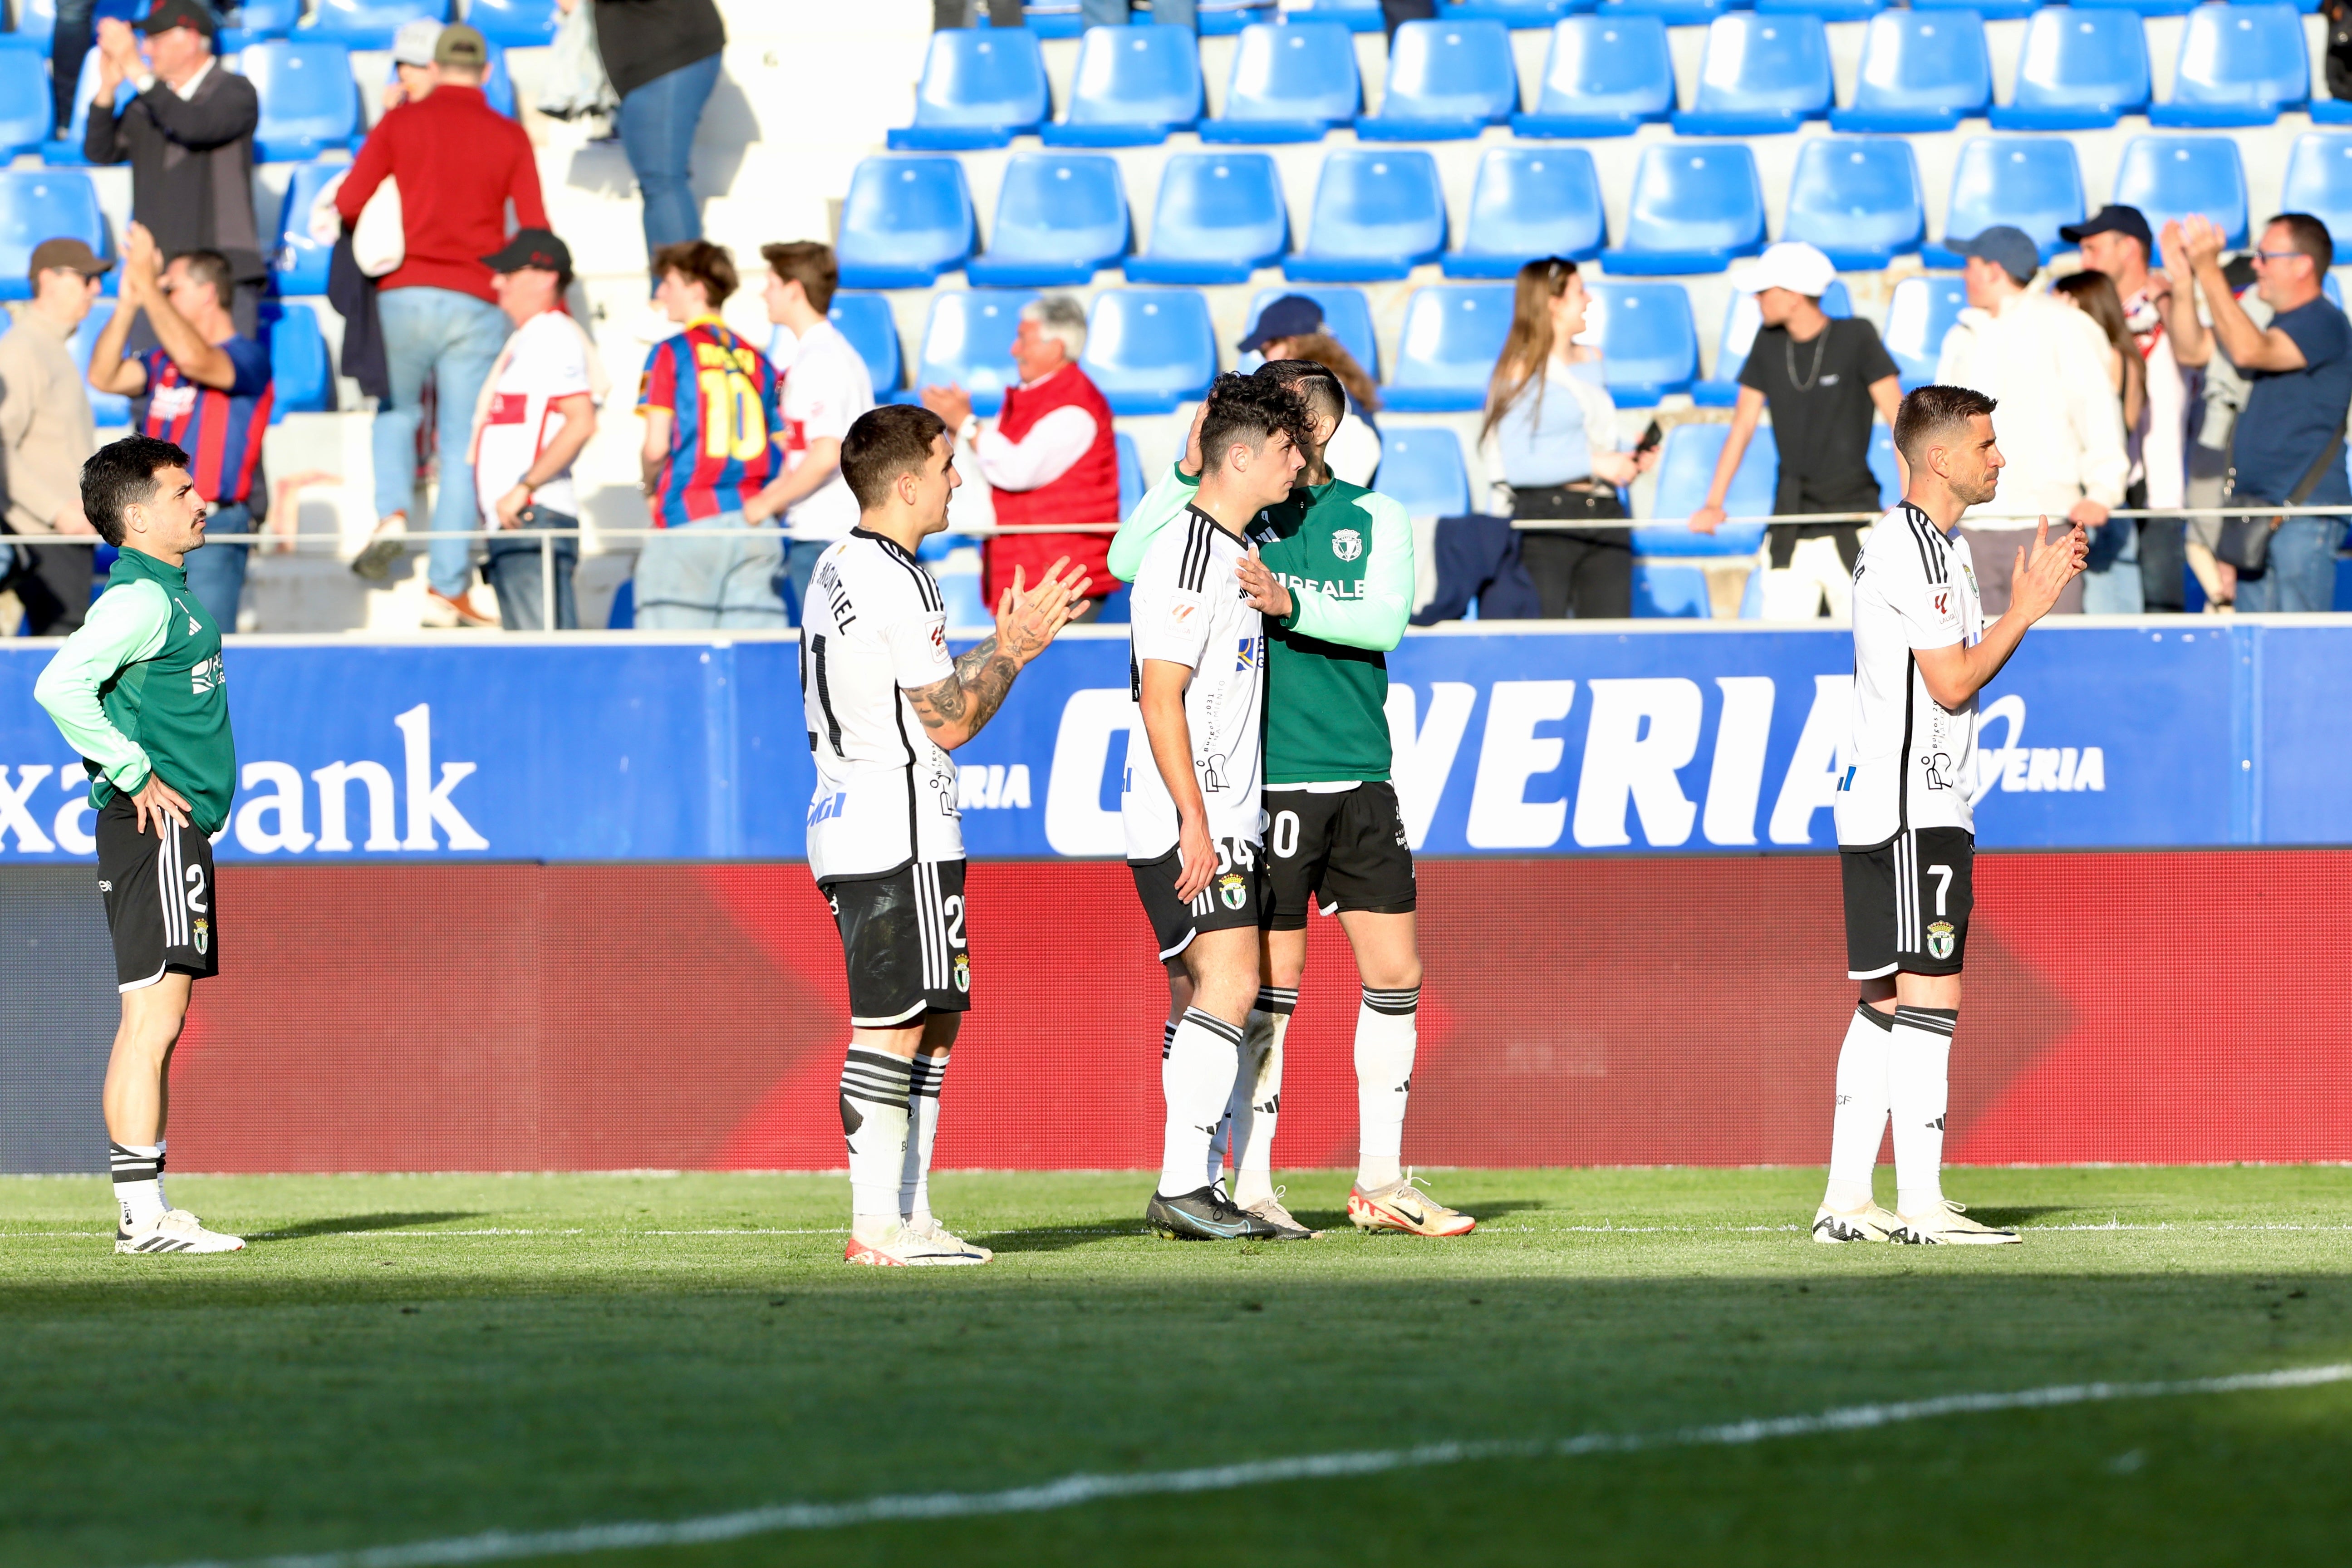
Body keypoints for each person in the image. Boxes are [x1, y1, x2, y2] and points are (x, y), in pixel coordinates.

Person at [1110, 364, 1474, 1239]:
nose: (1291, 435)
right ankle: (1245, 1181)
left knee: (1393, 973)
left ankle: (1379, 1180)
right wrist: (1189, 457)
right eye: (1275, 423)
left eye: (1298, 420)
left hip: (1357, 773)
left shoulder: (1372, 515)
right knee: (1257, 991)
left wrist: (1293, 600)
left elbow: (1384, 621)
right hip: (1260, 787)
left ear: (1322, 431)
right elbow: (1128, 562)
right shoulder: (1230, 520)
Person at [808, 404, 1089, 1265]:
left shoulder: (840, 565)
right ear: (905, 483)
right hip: (898, 827)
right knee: (893, 1025)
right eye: (944, 467)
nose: (956, 481)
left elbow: (919, 689)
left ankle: (908, 1215)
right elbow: (951, 723)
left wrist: (995, 645)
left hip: (856, 819)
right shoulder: (899, 579)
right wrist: (1019, 654)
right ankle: (877, 1226)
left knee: (930, 1023)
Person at [1813, 386, 2087, 1247]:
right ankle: (1921, 1208)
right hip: (1912, 807)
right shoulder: (1921, 552)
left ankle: (1847, 1205)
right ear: (1940, 459)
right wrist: (2028, 607)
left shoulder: (1927, 547)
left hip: (1887, 803)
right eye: (1986, 444)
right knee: (1931, 990)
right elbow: (1952, 681)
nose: (1997, 457)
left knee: (1886, 1001)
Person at [32, 434, 243, 1256]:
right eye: (183, 491)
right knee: (153, 1015)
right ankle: (141, 1219)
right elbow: (59, 683)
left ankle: (147, 1210)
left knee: (159, 1014)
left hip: (171, 828)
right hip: (151, 824)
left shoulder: (168, 594)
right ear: (138, 514)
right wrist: (130, 768)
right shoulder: (140, 600)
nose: (202, 501)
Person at [1124, 374, 1306, 1243]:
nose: (1298, 462)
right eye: (1283, 450)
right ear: (1238, 457)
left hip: (1215, 814)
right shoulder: (1186, 557)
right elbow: (1162, 698)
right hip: (1186, 817)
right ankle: (1181, 1184)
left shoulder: (1234, 548)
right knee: (1233, 985)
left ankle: (1196, 1182)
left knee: (1205, 994)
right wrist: (1194, 822)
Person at [338, 23, 547, 629]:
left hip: (403, 291)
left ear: (433, 66)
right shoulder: (509, 135)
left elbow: (350, 201)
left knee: (395, 410)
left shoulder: (400, 123)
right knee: (461, 445)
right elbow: (533, 227)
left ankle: (392, 514)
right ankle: (446, 584)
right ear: (486, 74)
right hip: (478, 297)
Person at [1690, 241, 1903, 620]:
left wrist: (1911, 505)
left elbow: (1901, 420)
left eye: (1763, 291)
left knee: (1871, 652)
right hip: (1788, 523)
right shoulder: (1767, 342)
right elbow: (1741, 427)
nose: (1756, 299)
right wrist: (1713, 502)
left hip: (1854, 520)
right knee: (1782, 646)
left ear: (1791, 296)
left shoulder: (1857, 336)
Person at [2159, 212, 2352, 614]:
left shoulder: (2322, 320)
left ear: (2302, 264)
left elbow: (2250, 351)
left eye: (2266, 256)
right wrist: (2182, 281)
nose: (2256, 265)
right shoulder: (2267, 322)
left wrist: (2209, 268)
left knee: (2299, 652)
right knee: (2255, 651)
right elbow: (2193, 350)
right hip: (2253, 512)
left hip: (2303, 515)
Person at [1933, 226, 2127, 617]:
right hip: (1969, 527)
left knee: (2052, 657)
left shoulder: (2064, 325)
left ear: (1992, 270)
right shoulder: (1960, 335)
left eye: (1969, 265)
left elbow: (2097, 409)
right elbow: (1941, 428)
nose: (1963, 275)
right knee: (1975, 659)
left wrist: (2103, 490)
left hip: (2045, 524)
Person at [87, 227, 274, 632]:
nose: (162, 292)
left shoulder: (249, 356)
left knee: (201, 648)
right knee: (141, 649)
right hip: (147, 526)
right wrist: (127, 303)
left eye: (172, 287)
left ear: (207, 292)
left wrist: (146, 284)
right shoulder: (160, 360)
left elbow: (196, 359)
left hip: (210, 525)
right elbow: (103, 376)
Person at [1480, 257, 1656, 619]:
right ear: (1553, 302)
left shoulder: (1593, 357)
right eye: (1580, 291)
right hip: (1546, 523)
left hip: (1606, 514)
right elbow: (1518, 468)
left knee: (1610, 644)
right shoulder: (1518, 372)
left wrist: (1627, 457)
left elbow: (1584, 436)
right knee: (1543, 647)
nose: (1589, 299)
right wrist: (1596, 463)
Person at [922, 296, 1116, 617]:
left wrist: (967, 425)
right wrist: (959, 431)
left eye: (1023, 339)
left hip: (1059, 584)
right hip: (1036, 577)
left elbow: (1016, 469)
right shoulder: (1032, 397)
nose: (1014, 350)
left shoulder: (1076, 406)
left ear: (1054, 348)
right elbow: (989, 465)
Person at [633, 240, 793, 627]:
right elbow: (784, 443)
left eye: (668, 283)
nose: (660, 294)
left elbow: (656, 447)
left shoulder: (670, 352)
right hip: (756, 521)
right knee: (750, 664)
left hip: (690, 520)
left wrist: (649, 488)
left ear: (697, 289)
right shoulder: (759, 360)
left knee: (672, 663)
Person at [85, 1, 264, 335]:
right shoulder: (146, 103)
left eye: (156, 38)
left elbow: (195, 126)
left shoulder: (234, 91)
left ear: (190, 38)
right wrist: (107, 89)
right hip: (159, 273)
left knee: (225, 378)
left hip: (222, 272)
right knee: (155, 383)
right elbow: (100, 150)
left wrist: (137, 72)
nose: (147, 49)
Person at [470, 230, 604, 633]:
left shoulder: (553, 335)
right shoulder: (530, 338)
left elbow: (581, 421)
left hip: (532, 518)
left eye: (509, 273)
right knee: (534, 661)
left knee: (548, 663)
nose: (497, 282)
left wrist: (524, 488)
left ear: (546, 278)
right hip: (519, 521)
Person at [2062, 205, 2190, 613]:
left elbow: (2195, 351)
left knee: (2159, 615)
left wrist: (2174, 291)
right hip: (2102, 484)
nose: (2085, 260)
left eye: (2092, 248)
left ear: (2129, 248)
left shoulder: (2168, 307)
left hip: (2159, 487)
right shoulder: (2081, 317)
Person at [758, 242, 875, 622]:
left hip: (827, 532)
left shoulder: (821, 360)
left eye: (771, 283)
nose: (764, 293)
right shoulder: (824, 354)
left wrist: (767, 503)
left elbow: (827, 453)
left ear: (794, 289)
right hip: (828, 530)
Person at [0, 240, 107, 635]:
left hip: (58, 535)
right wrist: (56, 511)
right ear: (48, 279)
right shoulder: (23, 348)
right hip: (42, 536)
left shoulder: (44, 346)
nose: (96, 289)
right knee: (58, 661)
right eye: (86, 278)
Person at [579, 0, 727, 257]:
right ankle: (667, 287)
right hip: (657, 55)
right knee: (657, 185)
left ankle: (684, 286)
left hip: (666, 54)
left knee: (663, 183)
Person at [2052, 269, 2150, 614]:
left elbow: (2111, 427)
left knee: (2104, 610)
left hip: (2095, 500)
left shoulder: (2101, 357)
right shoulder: (2127, 357)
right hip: (2107, 499)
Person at [1237, 295, 1381, 486]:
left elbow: (1336, 491)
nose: (1265, 359)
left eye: (1266, 350)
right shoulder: (1331, 389)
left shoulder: (1329, 399)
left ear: (1293, 343)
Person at [384, 16, 444, 111]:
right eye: (400, 63)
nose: (404, 72)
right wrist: (391, 115)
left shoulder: (460, 114)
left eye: (416, 64)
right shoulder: (400, 108)